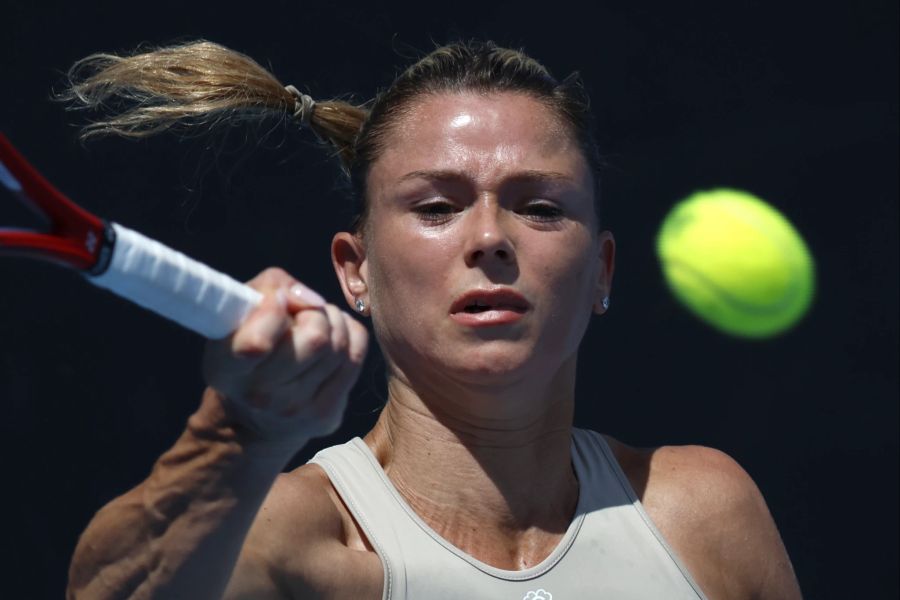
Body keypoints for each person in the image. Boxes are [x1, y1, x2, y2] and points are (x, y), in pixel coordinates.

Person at [64, 40, 802, 599]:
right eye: (437, 208)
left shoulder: (706, 510)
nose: (490, 238)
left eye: (540, 207)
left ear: (601, 273)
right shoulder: (288, 535)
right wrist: (236, 436)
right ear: (356, 270)